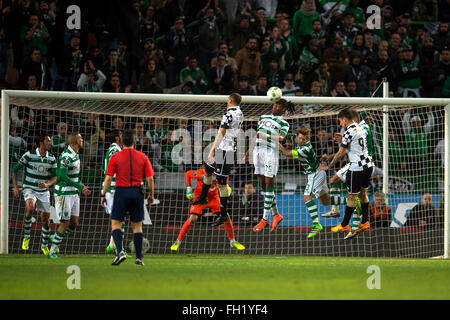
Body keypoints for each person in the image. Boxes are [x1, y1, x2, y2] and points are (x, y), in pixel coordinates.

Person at [101, 129, 154, 266]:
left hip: (121, 192)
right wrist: (151, 194)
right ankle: (139, 258)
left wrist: (103, 194)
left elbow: (108, 178)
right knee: (137, 226)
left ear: (122, 141)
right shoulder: (143, 157)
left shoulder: (115, 157)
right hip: (137, 192)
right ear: (134, 141)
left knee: (116, 223)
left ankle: (120, 252)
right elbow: (150, 179)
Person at [319, 108, 374, 240]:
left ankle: (344, 224)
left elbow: (341, 153)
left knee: (351, 197)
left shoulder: (349, 131)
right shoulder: (361, 128)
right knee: (362, 194)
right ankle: (365, 222)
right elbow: (355, 145)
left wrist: (330, 165)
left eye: (340, 121)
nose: (340, 124)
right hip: (368, 165)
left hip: (356, 168)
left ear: (344, 119)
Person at [191, 93, 244, 228]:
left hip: (225, 151)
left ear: (230, 100)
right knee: (207, 169)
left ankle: (223, 213)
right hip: (227, 148)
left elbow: (221, 132)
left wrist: (212, 149)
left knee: (221, 184)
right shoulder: (240, 113)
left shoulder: (228, 114)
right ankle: (203, 197)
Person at [245, 99, 295, 233]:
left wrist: (265, 135)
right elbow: (257, 136)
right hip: (257, 151)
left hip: (270, 153)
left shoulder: (284, 123)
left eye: (278, 106)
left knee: (269, 186)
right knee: (263, 186)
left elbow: (281, 139)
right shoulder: (263, 117)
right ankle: (276, 215)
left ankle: (264, 219)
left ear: (283, 109)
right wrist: (249, 151)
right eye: (274, 104)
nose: (275, 107)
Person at [279, 126, 338, 238]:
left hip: (315, 174)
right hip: (317, 172)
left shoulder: (306, 149)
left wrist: (277, 144)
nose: (301, 141)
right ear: (297, 137)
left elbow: (287, 154)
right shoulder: (295, 139)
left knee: (306, 198)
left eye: (304, 139)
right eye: (300, 138)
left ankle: (316, 224)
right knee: (325, 201)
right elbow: (285, 135)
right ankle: (353, 202)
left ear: (307, 139)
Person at [170, 167, 245, 252]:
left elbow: (226, 186)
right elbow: (188, 174)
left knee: (225, 216)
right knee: (193, 218)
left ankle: (233, 241)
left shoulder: (222, 174)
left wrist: (228, 189)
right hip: (199, 196)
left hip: (214, 198)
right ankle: (178, 241)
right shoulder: (201, 173)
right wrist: (189, 189)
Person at [11, 134, 57, 255]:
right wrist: (15, 186)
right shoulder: (29, 155)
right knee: (30, 207)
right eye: (48, 141)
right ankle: (26, 236)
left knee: (45, 218)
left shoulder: (51, 158)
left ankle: (44, 245)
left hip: (43, 191)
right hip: (29, 188)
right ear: (41, 143)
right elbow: (15, 170)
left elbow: (57, 176)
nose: (50, 143)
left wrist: (48, 184)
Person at [49, 133, 92, 259]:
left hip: (73, 192)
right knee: (65, 222)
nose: (82, 139)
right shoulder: (66, 156)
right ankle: (53, 249)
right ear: (74, 141)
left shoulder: (76, 155)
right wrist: (79, 186)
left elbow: (72, 175)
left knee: (74, 223)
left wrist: (79, 184)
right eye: (80, 138)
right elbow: (61, 176)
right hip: (64, 193)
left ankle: (57, 236)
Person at [102, 130, 124, 254]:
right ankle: (118, 249)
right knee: (118, 220)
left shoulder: (115, 149)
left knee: (120, 219)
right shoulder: (114, 150)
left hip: (115, 188)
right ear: (117, 138)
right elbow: (113, 170)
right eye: (120, 135)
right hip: (113, 188)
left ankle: (113, 245)